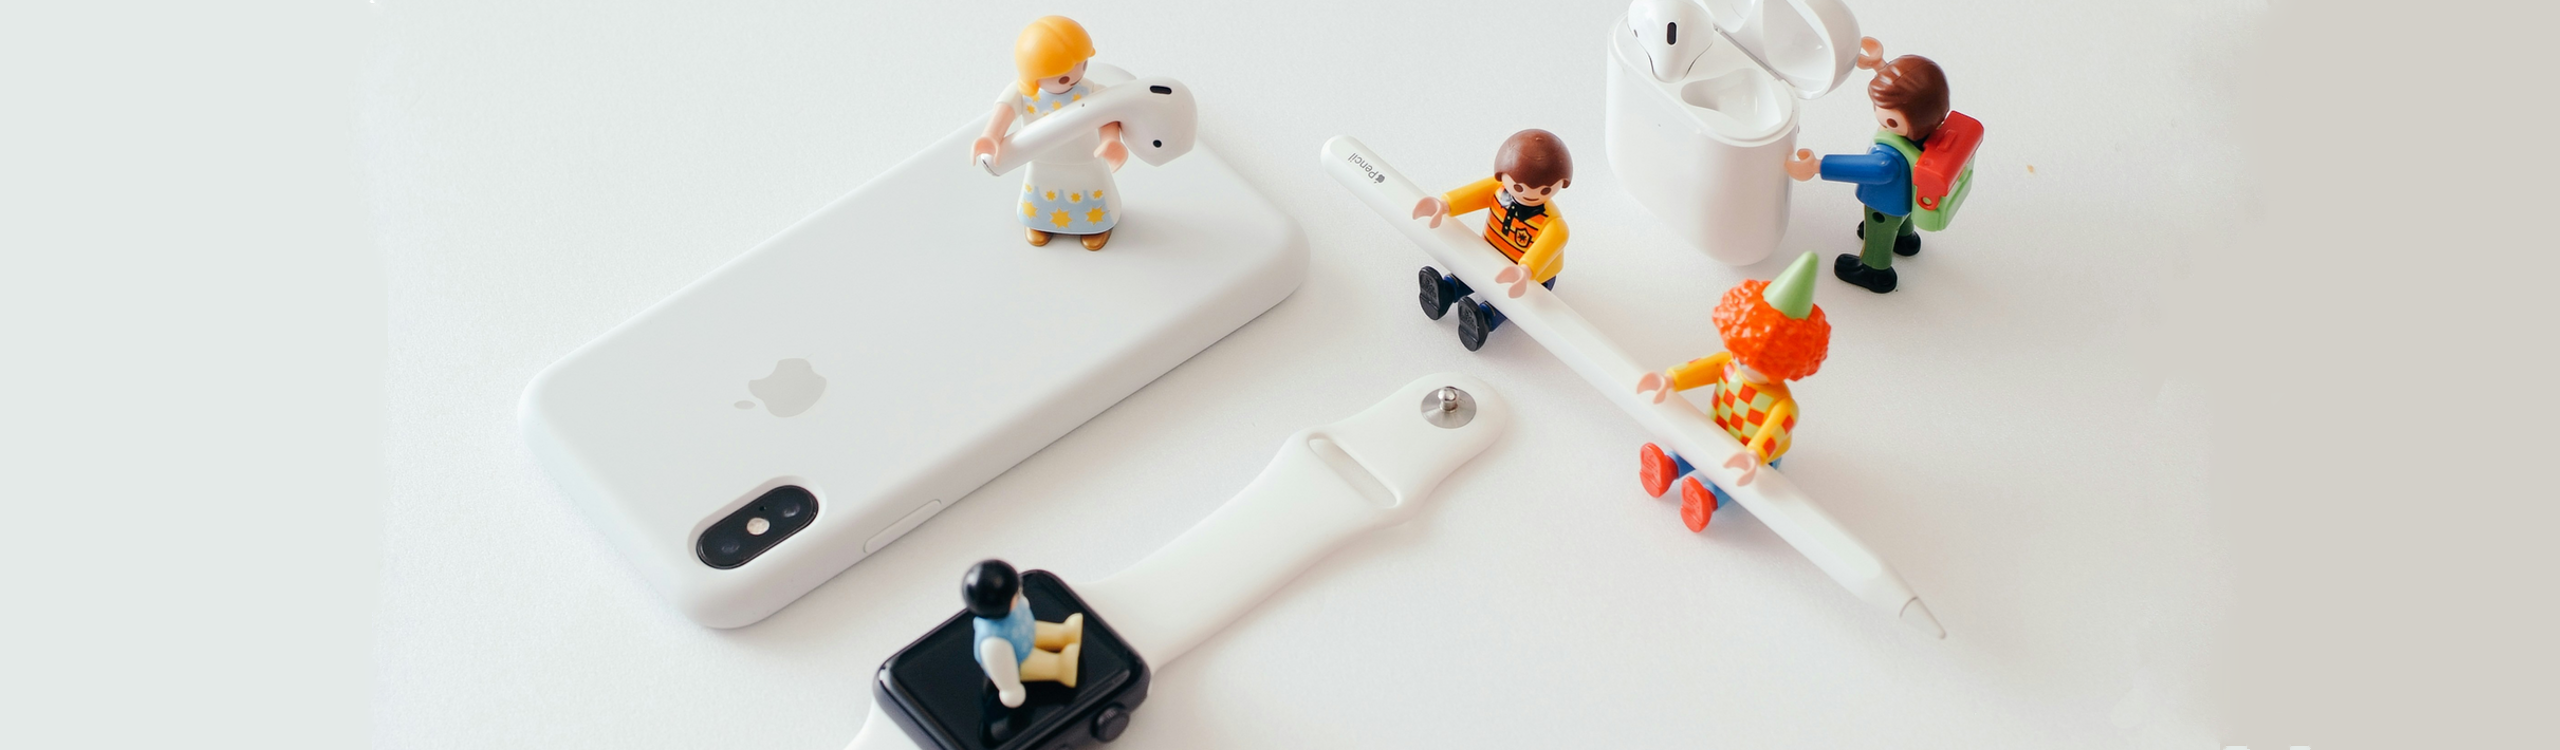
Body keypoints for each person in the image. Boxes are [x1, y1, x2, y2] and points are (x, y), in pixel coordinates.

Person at [1633, 252, 1831, 532]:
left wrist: (1755, 455)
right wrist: (1670, 379)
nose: (1743, 363)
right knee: (1692, 448)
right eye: (1740, 353)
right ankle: (1667, 466)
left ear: (1787, 364)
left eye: (1758, 363)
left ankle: (1707, 497)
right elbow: (1702, 367)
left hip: (1752, 455)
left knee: (1730, 477)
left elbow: (1776, 428)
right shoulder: (1728, 364)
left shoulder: (1782, 404)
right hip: (1715, 429)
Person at [1785, 40, 1950, 294]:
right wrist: (1879, 66)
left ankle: (1874, 269)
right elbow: (1909, 95)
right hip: (1908, 199)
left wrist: (1818, 166)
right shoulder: (1927, 125)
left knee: (1879, 230)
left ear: (1895, 119)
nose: (1877, 111)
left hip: (1884, 206)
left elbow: (1862, 168)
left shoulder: (1888, 160)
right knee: (1902, 219)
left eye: (1883, 111)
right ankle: (1904, 238)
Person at [971, 16, 1129, 250]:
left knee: (1091, 190)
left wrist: (1110, 140)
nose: (1076, 76)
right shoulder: (1024, 94)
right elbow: (1004, 111)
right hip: (1041, 161)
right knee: (1040, 192)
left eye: (1083, 64)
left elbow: (1107, 116)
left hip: (1085, 161)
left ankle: (1096, 226)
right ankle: (1039, 222)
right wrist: (991, 136)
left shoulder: (1091, 91)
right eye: (1064, 76)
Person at [1412, 129, 1574, 351]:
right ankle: (1446, 291)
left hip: (1531, 277)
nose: (1530, 194)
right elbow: (1471, 194)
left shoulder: (1552, 223)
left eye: (1544, 189)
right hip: (1491, 252)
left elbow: (1551, 242)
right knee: (1471, 269)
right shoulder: (1498, 190)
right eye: (1519, 187)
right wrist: (1445, 205)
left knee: (1510, 297)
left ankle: (1484, 318)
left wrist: (1526, 270)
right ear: (1502, 175)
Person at [964, 559, 1083, 708]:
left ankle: (1064, 634)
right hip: (1018, 661)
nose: (1019, 593)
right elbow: (1003, 668)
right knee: (1033, 662)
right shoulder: (993, 643)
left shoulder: (1012, 608)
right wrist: (1010, 689)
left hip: (1026, 632)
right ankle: (1060, 666)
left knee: (1037, 630)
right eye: (1015, 593)